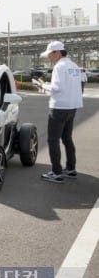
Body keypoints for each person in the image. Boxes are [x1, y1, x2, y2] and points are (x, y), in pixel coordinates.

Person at [36, 41, 83, 183]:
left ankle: (56, 172)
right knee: (67, 138)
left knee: (53, 140)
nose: (49, 57)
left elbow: (56, 88)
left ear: (57, 53)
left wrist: (42, 85)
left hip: (59, 108)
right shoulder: (74, 66)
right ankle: (70, 169)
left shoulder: (59, 67)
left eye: (50, 54)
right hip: (72, 107)